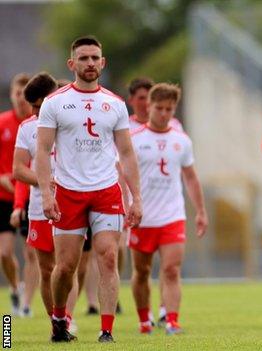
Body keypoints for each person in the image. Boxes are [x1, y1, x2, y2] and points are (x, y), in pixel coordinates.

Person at [36, 36, 142, 343]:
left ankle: (106, 331)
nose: (90, 63)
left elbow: (127, 152)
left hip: (106, 190)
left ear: (103, 62)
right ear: (72, 64)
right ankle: (59, 317)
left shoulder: (115, 104)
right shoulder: (55, 103)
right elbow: (42, 150)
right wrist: (46, 192)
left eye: (95, 58)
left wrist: (136, 197)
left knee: (108, 256)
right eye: (83, 58)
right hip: (68, 192)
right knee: (66, 267)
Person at [128, 83, 208, 335]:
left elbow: (191, 177)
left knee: (172, 270)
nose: (164, 114)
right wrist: (126, 205)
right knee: (141, 272)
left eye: (169, 109)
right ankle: (144, 320)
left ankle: (172, 320)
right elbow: (122, 175)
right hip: (143, 217)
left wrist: (201, 211)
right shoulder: (135, 139)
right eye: (159, 108)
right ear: (149, 106)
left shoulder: (181, 140)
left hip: (172, 216)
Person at [11, 72, 84, 331]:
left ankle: (68, 319)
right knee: (46, 268)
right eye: (31, 106)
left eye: (38, 106)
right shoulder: (27, 128)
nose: (33, 112)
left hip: (71, 205)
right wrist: (45, 180)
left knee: (66, 268)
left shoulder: (74, 123)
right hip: (40, 207)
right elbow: (18, 170)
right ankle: (56, 322)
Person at [0, 73, 33, 315]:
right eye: (17, 93)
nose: (21, 98)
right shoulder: (2, 123)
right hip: (4, 198)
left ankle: (27, 305)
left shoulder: (36, 125)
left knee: (32, 252)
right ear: (12, 95)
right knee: (5, 252)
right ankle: (14, 287)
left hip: (31, 197)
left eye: (25, 94)